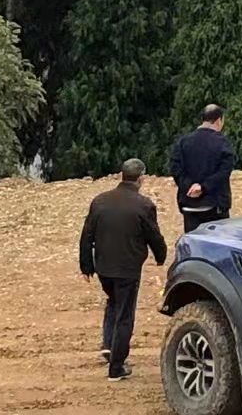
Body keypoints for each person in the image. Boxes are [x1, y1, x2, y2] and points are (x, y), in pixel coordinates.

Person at [79, 158, 167, 383]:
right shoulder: (144, 205)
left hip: (104, 267)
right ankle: (116, 367)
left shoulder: (100, 201)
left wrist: (86, 266)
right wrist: (161, 256)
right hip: (127, 268)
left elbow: (86, 235)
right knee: (125, 314)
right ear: (141, 179)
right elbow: (153, 236)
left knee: (113, 301)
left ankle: (109, 345)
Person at [169, 103, 236, 233]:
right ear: (218, 121)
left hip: (189, 206)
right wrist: (203, 187)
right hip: (215, 207)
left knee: (194, 247)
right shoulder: (222, 143)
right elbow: (224, 171)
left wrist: (189, 186)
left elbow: (175, 168)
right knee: (216, 248)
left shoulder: (183, 142)